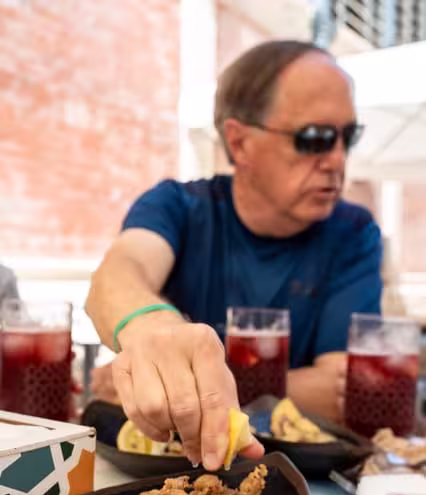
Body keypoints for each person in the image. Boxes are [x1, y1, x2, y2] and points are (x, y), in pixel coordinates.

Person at [86, 40, 382, 471]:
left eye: (347, 136)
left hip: (298, 476)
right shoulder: (176, 206)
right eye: (314, 138)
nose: (337, 160)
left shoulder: (353, 231)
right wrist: (151, 330)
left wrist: (172, 385)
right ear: (239, 142)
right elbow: (116, 276)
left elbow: (338, 391)